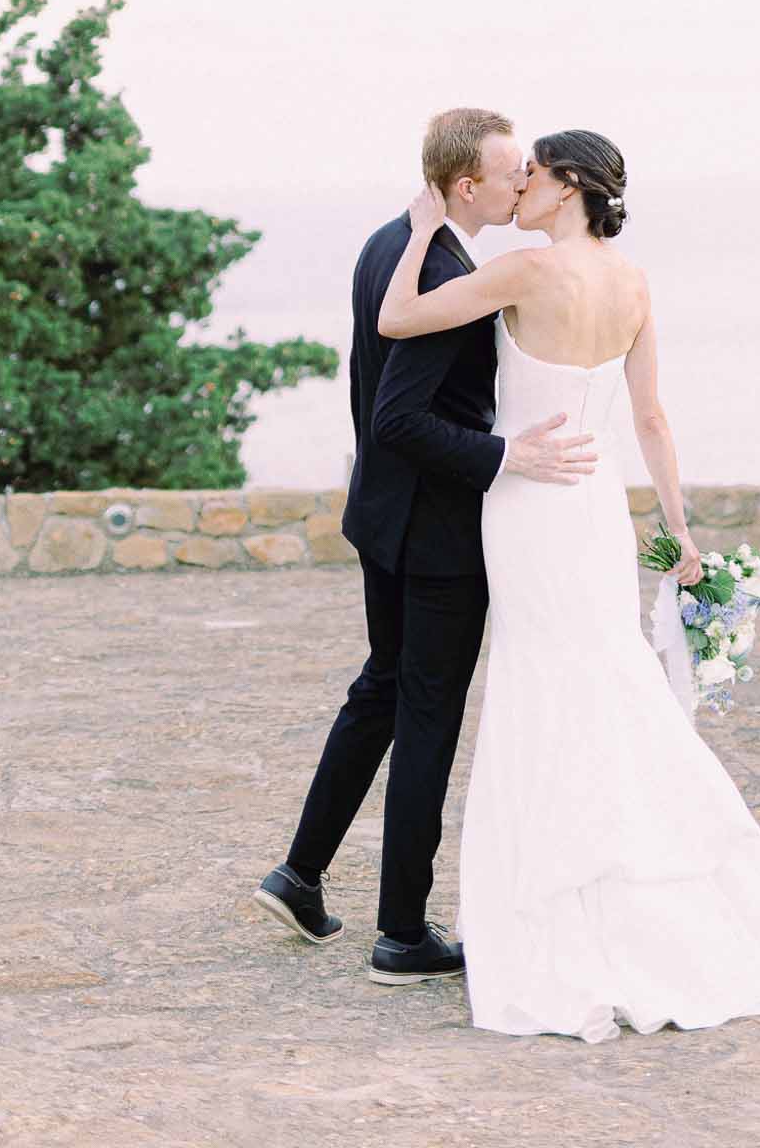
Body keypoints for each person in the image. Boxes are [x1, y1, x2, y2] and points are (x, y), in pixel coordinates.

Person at [375, 127, 760, 1041]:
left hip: (527, 500)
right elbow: (652, 418)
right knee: (607, 680)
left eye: (537, 174)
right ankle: (646, 885)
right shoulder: (633, 284)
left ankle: (560, 909)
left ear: (572, 186)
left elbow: (400, 319)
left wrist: (419, 230)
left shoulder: (522, 271)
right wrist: (681, 534)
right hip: (596, 510)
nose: (523, 187)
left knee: (542, 686)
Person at [254, 108, 598, 985]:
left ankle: (299, 876)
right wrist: (506, 455)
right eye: (510, 171)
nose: (524, 181)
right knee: (426, 723)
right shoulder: (438, 266)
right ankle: (403, 933)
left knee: (379, 692)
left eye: (529, 170)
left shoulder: (388, 243)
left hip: (383, 519)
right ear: (463, 186)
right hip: (436, 537)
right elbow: (398, 417)